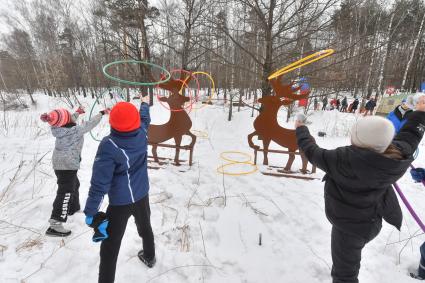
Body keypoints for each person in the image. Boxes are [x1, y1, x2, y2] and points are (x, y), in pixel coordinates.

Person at [294, 93, 425, 283]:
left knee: (345, 273)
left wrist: (301, 129)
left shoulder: (340, 160)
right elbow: (411, 134)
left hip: (348, 228)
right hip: (371, 222)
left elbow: (311, 151)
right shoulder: (396, 155)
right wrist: (421, 113)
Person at [84, 97, 155, 283]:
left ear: (112, 123)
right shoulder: (142, 132)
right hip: (141, 195)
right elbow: (145, 119)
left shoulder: (109, 145)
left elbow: (99, 184)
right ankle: (149, 255)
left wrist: (91, 212)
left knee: (110, 247)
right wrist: (144, 104)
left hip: (120, 204)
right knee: (145, 227)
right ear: (136, 122)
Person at [40, 106, 106, 236]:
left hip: (59, 163)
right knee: (65, 193)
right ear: (66, 120)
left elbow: (67, 119)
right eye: (69, 115)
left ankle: (73, 208)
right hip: (68, 165)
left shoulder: (57, 128)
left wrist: (78, 113)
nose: (71, 117)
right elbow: (89, 124)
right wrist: (101, 113)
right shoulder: (75, 130)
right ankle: (55, 223)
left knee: (74, 185)